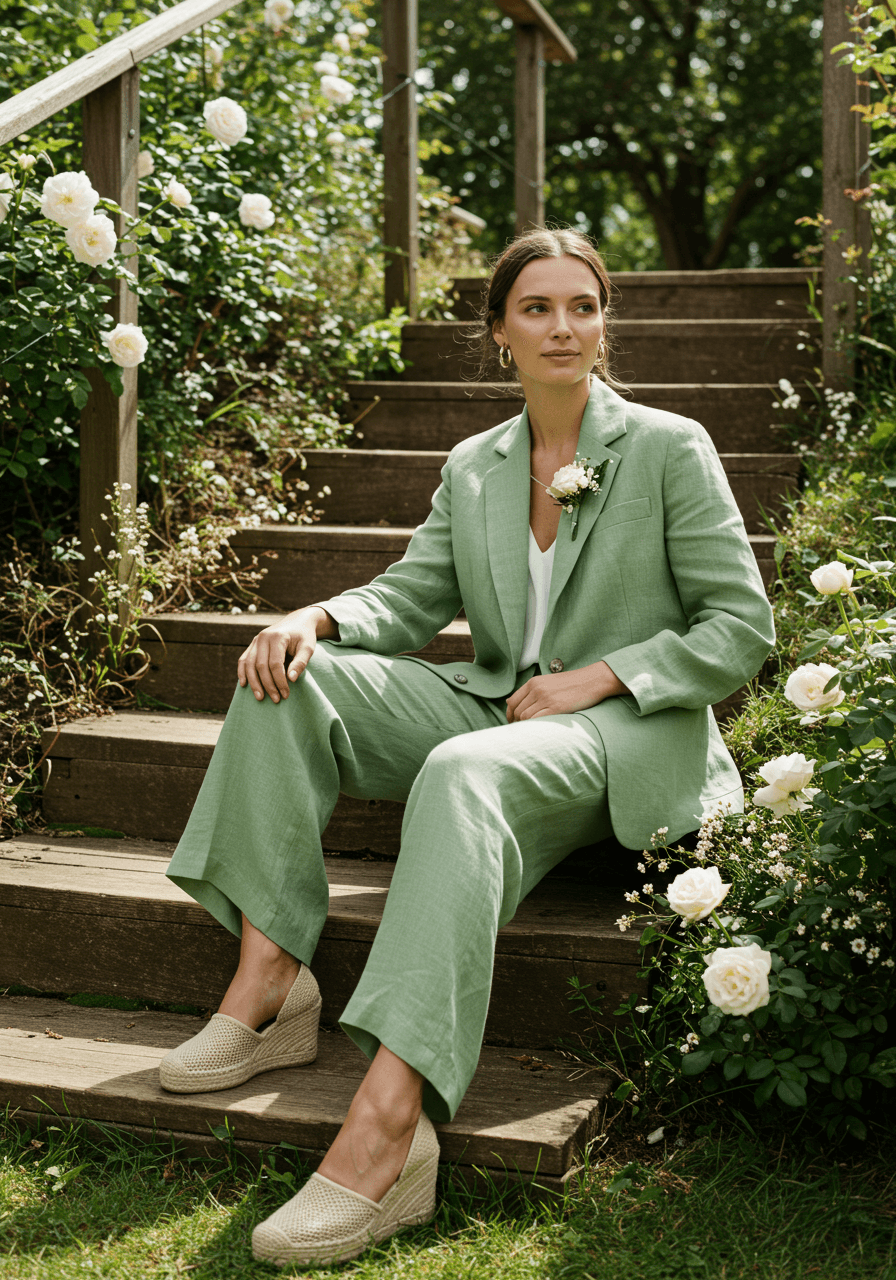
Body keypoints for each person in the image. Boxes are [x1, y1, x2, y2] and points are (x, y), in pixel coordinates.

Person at [162, 227, 775, 1267]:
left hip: (622, 736)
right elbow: (409, 598)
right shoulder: (472, 463)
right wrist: (310, 617)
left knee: (459, 768)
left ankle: (388, 1127)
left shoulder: (668, 446)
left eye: (581, 305)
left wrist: (603, 675)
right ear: (497, 332)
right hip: (498, 711)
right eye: (535, 307)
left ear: (603, 320)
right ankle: (269, 984)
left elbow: (738, 626)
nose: (562, 326)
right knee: (282, 683)